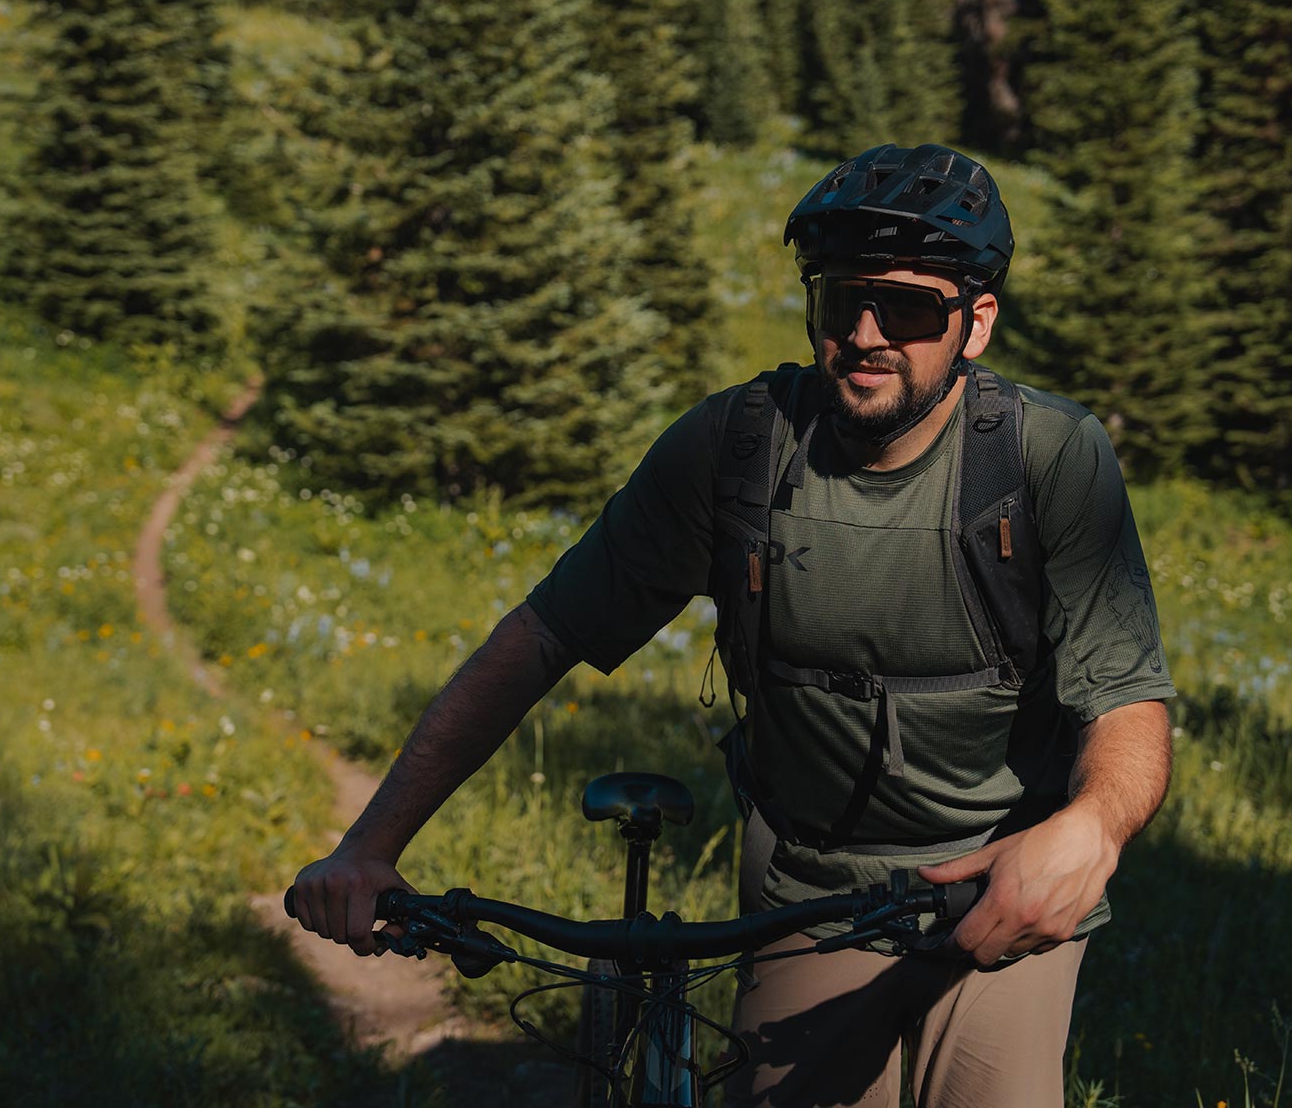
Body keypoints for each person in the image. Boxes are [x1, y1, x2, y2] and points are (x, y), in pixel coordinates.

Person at [289, 143, 1175, 1107]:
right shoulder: (738, 449)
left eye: (910, 309)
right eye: (842, 303)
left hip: (1002, 882)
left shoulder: (1049, 460)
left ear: (975, 323)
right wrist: (370, 846)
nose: (868, 334)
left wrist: (1092, 827)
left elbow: (1126, 699)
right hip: (808, 893)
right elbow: (541, 637)